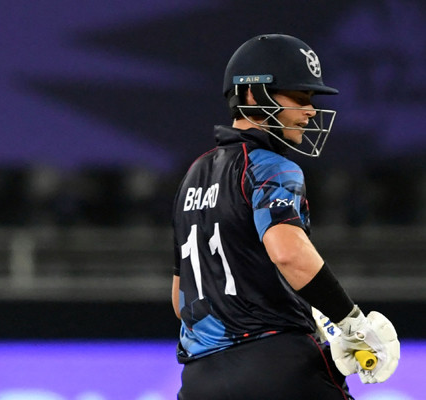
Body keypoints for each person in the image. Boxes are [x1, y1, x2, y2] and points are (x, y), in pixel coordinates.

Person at [170, 34, 400, 399]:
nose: (310, 111)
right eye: (300, 97)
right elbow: (288, 253)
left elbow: (180, 300)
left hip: (199, 381)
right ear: (252, 94)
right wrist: (350, 322)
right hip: (277, 366)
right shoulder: (272, 167)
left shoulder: (192, 176)